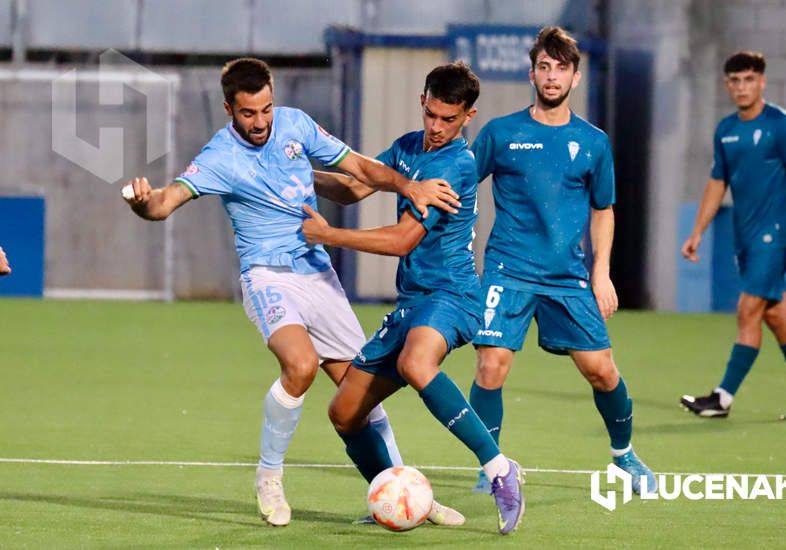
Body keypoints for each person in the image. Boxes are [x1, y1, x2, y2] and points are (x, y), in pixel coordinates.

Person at [121, 57, 465, 527]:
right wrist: (144, 204)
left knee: (359, 396)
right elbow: (164, 204)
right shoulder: (219, 158)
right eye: (248, 113)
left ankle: (402, 493)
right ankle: (269, 477)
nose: (261, 122)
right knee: (300, 366)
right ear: (228, 108)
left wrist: (409, 185)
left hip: (317, 272)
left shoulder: (295, 125)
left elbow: (359, 168)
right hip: (267, 275)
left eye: (266, 109)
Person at [302, 62, 526, 535]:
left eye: (450, 119)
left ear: (469, 115)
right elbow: (353, 186)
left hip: (453, 295)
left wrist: (328, 236)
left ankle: (499, 469)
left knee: (416, 364)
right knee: (343, 413)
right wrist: (297, 171)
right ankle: (397, 496)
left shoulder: (456, 166)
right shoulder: (407, 147)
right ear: (423, 101)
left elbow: (404, 239)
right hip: (412, 301)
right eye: (433, 115)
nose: (437, 127)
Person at [466, 26, 655, 495]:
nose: (552, 77)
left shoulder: (593, 142)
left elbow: (603, 209)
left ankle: (624, 456)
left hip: (567, 277)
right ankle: (491, 467)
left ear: (575, 77)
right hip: (508, 270)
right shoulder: (501, 133)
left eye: (561, 69)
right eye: (544, 67)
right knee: (491, 366)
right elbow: (462, 184)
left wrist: (601, 272)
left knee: (602, 369)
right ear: (532, 73)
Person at [679, 51, 786, 420]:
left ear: (762, 82)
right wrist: (697, 229)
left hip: (775, 235)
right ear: (727, 85)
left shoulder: (783, 125)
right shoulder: (726, 130)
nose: (741, 87)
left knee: (748, 310)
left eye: (749, 79)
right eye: (735, 80)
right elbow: (718, 182)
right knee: (776, 315)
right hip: (744, 236)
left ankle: (722, 398)